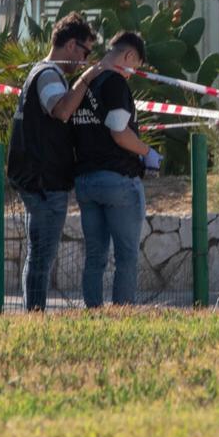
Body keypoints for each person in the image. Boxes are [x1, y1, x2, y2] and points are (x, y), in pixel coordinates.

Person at [7, 12, 103, 311]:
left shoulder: (42, 72)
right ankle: (35, 315)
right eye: (85, 53)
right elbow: (61, 110)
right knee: (41, 257)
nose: (85, 61)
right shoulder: (49, 74)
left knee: (37, 255)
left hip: (39, 180)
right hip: (44, 183)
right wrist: (87, 79)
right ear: (71, 45)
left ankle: (32, 313)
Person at [71, 31, 162, 306]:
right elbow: (119, 132)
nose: (133, 74)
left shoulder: (85, 82)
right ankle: (123, 314)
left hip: (85, 180)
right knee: (126, 256)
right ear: (129, 56)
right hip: (117, 180)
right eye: (136, 67)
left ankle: (93, 314)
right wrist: (147, 152)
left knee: (94, 257)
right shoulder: (115, 83)